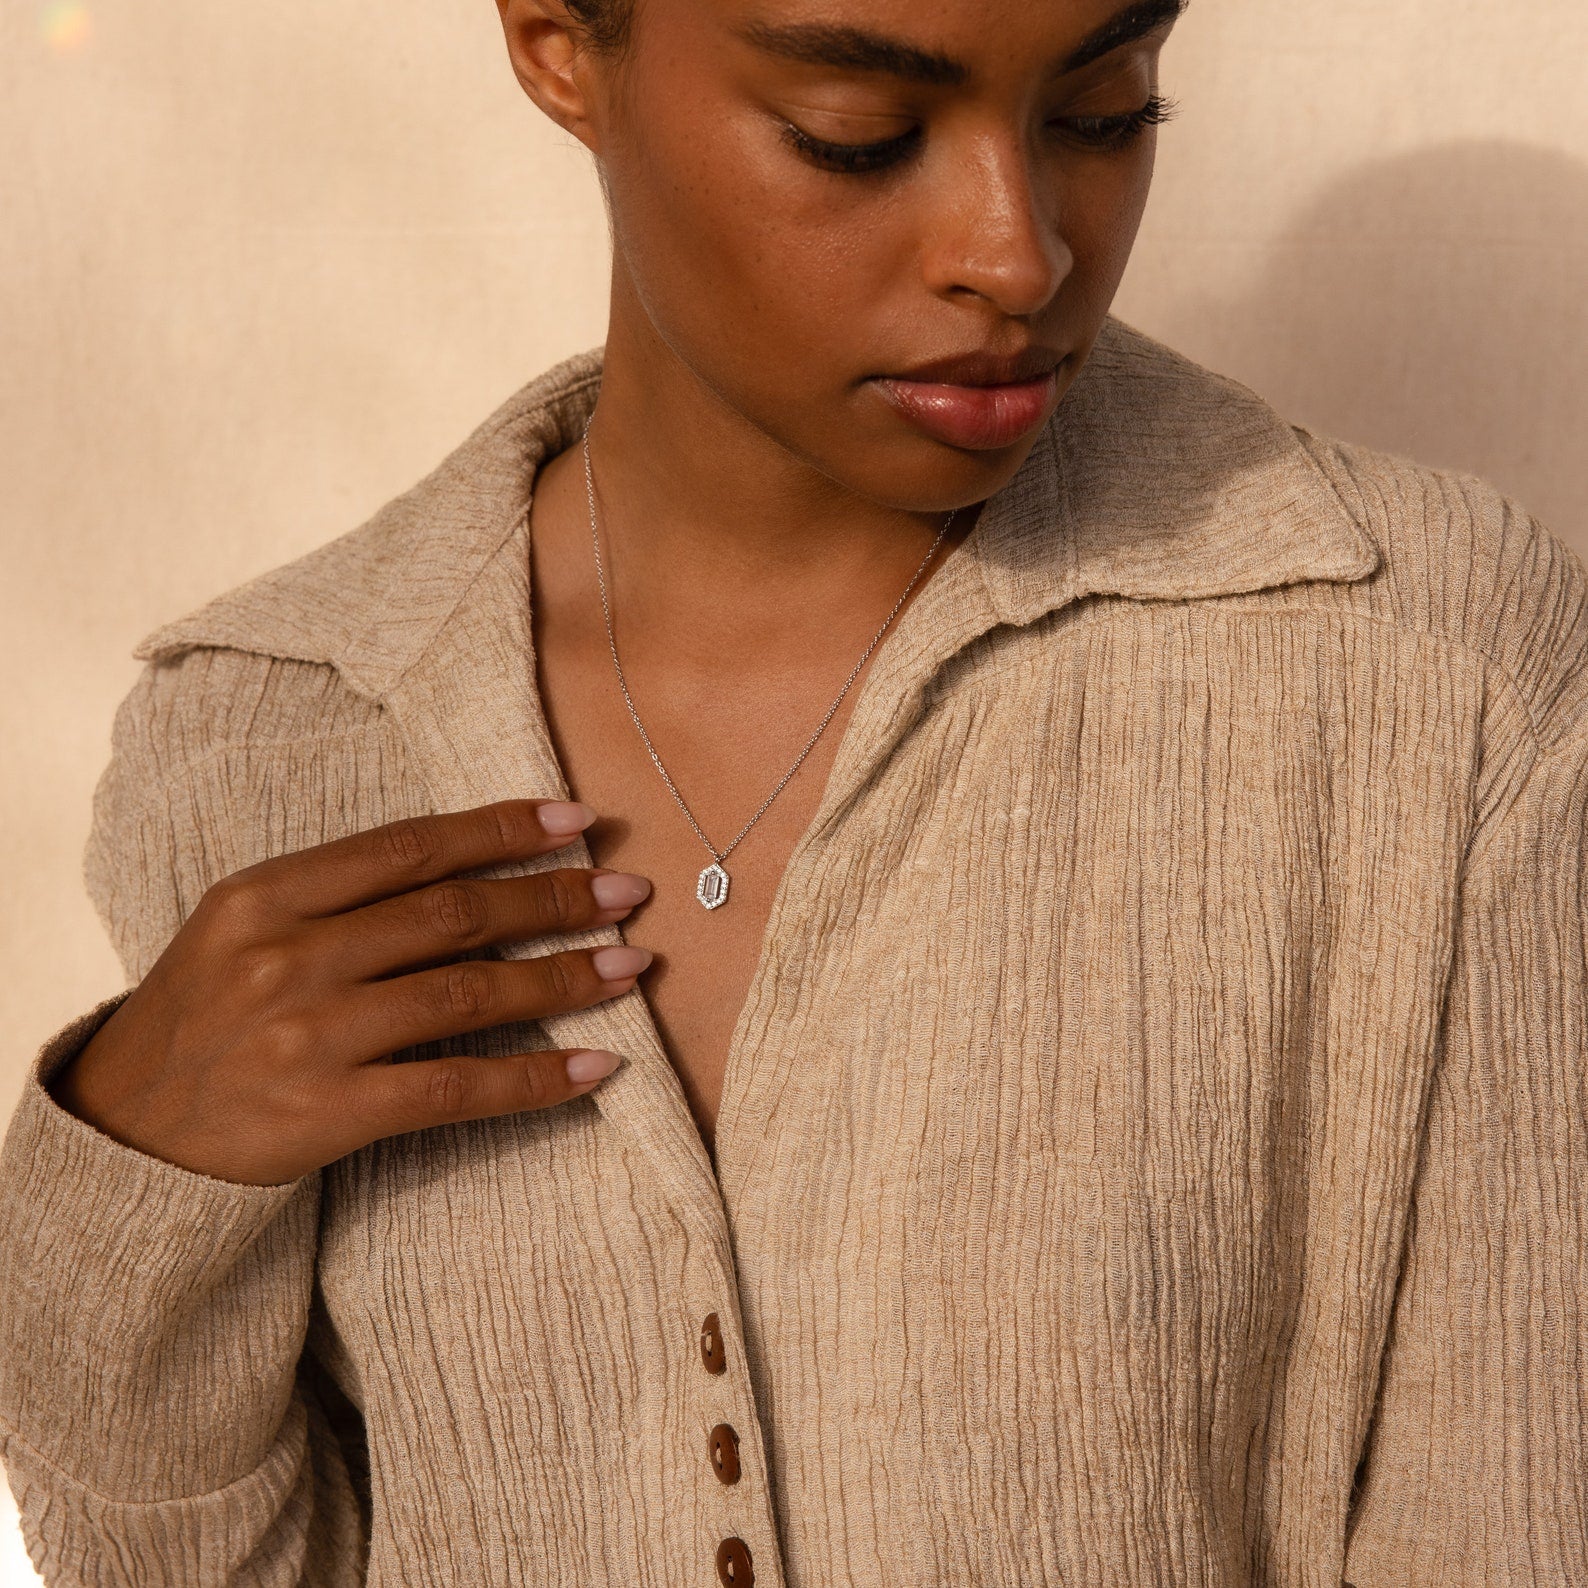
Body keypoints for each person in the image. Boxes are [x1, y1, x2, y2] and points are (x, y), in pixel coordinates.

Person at [1, 0, 1584, 1581]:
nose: (1016, 256)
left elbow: (1514, 1520)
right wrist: (124, 1183)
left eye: (1104, 114)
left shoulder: (1425, 670)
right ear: (559, 44)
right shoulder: (266, 738)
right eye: (858, 134)